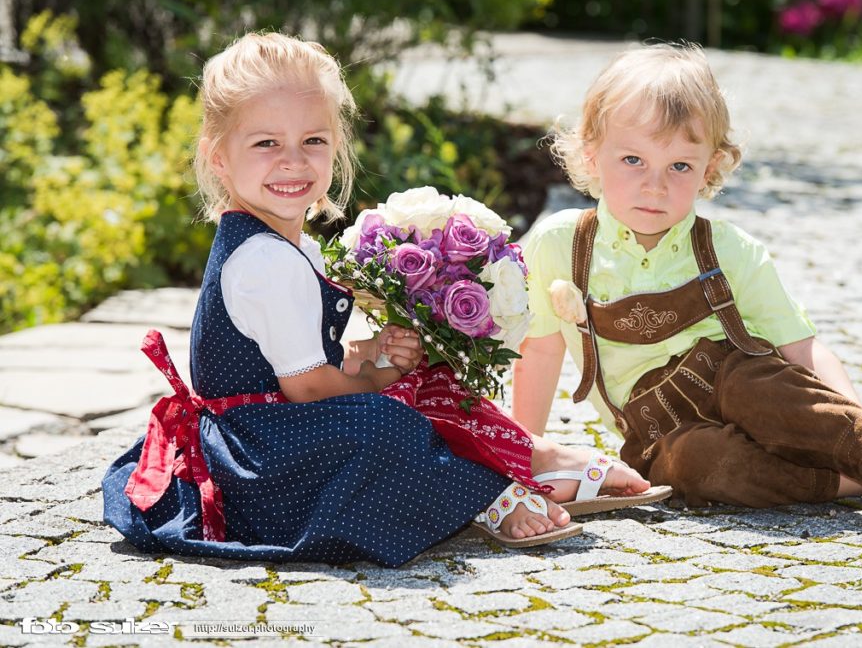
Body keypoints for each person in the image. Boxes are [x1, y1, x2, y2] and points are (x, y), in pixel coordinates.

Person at [102, 32, 665, 567]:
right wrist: (373, 379)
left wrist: (365, 355)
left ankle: (532, 458)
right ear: (219, 156)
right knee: (383, 421)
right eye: (266, 143)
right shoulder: (266, 260)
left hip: (278, 425)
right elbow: (309, 388)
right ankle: (485, 493)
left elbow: (293, 361)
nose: (293, 161)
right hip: (261, 460)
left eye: (313, 141)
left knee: (425, 383)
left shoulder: (283, 242)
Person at [512, 42, 862, 536]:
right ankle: (857, 479)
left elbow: (801, 345)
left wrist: (859, 416)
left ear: (710, 168)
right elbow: (539, 351)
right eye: (632, 160)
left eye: (680, 167)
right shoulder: (562, 244)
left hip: (747, 389)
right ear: (591, 154)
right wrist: (521, 459)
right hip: (658, 433)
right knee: (700, 464)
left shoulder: (726, 250)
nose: (655, 185)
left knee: (748, 380)